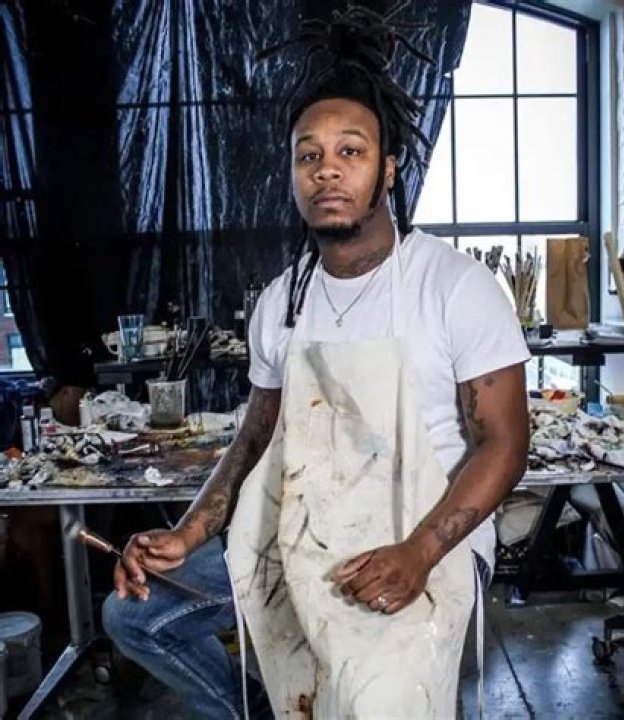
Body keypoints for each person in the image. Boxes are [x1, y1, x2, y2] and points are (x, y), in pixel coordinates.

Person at [103, 5, 530, 719]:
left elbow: (505, 444)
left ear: (388, 169)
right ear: (294, 174)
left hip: (425, 533)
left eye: (351, 151)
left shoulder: (454, 287)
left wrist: (418, 553)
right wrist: (188, 532)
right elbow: (256, 438)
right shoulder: (283, 301)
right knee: (134, 617)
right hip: (302, 530)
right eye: (309, 155)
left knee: (373, 695)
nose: (327, 169)